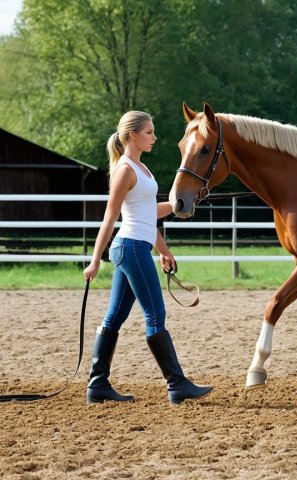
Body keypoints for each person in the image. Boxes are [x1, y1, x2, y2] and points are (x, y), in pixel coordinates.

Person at [83, 111, 212, 405]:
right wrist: (94, 260)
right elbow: (109, 217)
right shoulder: (125, 170)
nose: (154, 137)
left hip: (136, 246)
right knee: (155, 315)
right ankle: (177, 384)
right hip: (130, 248)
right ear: (132, 136)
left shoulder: (143, 169)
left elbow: (148, 214)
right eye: (149, 133)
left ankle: (97, 385)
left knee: (115, 316)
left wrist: (165, 246)